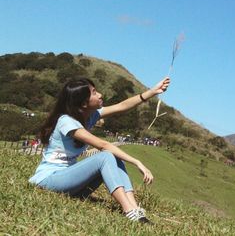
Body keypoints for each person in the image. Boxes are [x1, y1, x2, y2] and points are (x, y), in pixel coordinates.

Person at [29, 76, 170, 224]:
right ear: (84, 103)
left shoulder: (91, 116)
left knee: (115, 158)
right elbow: (103, 145)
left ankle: (135, 208)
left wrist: (153, 92)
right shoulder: (66, 121)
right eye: (94, 92)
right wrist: (137, 162)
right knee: (106, 156)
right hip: (49, 181)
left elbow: (122, 106)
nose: (100, 94)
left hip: (70, 186)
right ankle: (129, 211)